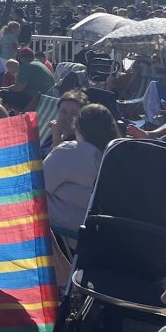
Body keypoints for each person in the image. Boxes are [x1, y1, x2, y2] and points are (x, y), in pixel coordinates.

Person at [43, 103, 119, 235]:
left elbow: (34, 188)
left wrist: (62, 191)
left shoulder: (71, 151)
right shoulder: (112, 157)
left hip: (57, 235)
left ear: (78, 128)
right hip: (91, 236)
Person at [44, 90, 89, 155]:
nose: (67, 117)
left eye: (74, 113)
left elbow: (55, 160)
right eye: (63, 111)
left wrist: (56, 136)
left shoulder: (75, 145)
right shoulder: (53, 135)